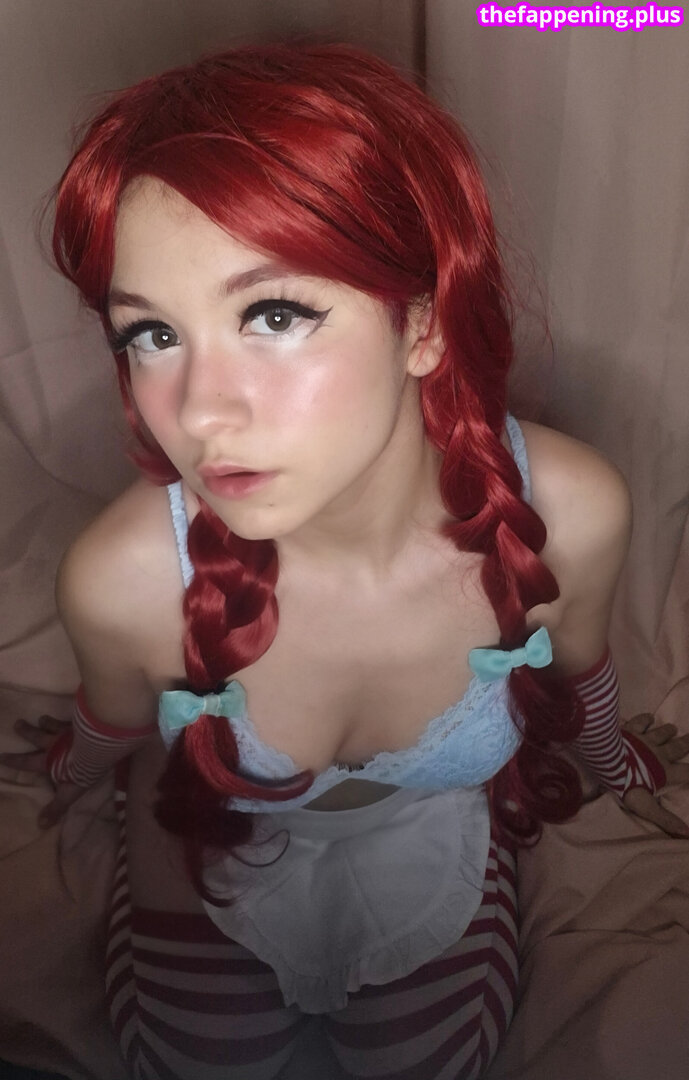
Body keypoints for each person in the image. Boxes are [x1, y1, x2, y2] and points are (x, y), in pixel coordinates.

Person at [3, 42, 689, 1080]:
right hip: (206, 847)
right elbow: (114, 719)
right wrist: (66, 771)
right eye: (151, 335)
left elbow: (579, 665)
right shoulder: (124, 580)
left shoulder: (569, 513)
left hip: (432, 850)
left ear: (422, 322)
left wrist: (614, 763)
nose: (199, 411)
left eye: (273, 314)